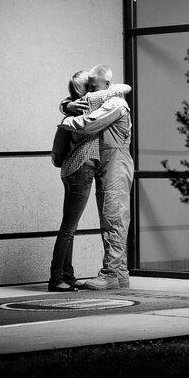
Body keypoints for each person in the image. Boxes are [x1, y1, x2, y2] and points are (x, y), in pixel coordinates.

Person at [48, 69, 131, 292]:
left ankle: (112, 273)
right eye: (90, 87)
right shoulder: (94, 101)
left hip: (106, 164)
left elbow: (87, 123)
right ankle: (116, 273)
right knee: (103, 218)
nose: (93, 92)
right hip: (92, 166)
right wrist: (66, 106)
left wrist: (66, 116)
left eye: (96, 87)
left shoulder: (111, 104)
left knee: (113, 216)